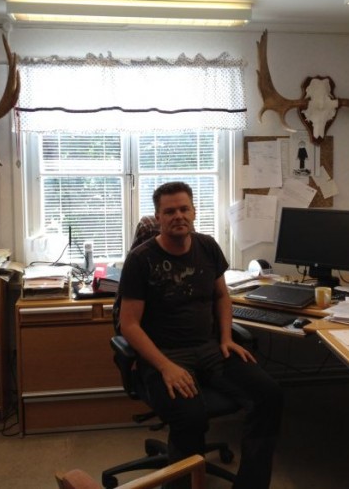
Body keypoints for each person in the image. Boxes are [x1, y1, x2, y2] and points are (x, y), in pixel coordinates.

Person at [119, 181, 283, 489]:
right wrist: (165, 366)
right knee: (190, 417)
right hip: (164, 355)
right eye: (170, 211)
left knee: (269, 395)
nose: (178, 216)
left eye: (184, 209)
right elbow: (129, 325)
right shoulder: (141, 260)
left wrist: (226, 338)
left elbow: (221, 296)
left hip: (210, 349)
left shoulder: (207, 247)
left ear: (194, 212)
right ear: (158, 217)